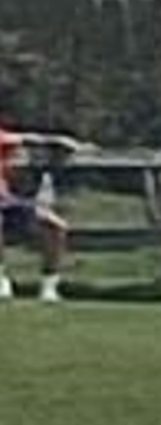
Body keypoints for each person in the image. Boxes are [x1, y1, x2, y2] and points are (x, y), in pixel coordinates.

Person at [0, 122, 79, 304]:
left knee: (55, 227)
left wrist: (58, 140)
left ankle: (49, 287)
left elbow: (28, 138)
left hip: (11, 202)